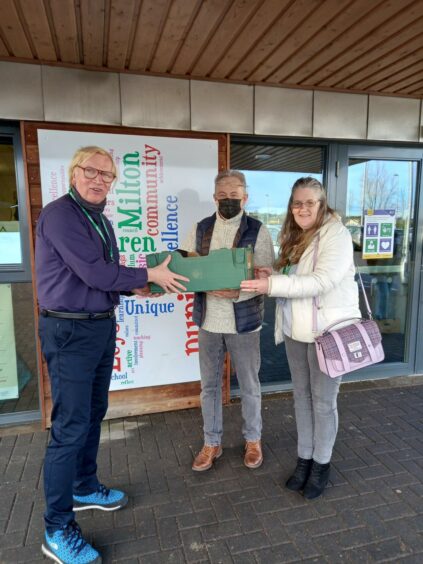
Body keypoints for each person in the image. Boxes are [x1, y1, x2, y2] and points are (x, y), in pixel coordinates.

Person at [35, 146, 189, 564]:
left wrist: (134, 286)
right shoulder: (61, 215)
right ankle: (56, 528)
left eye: (107, 174)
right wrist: (148, 274)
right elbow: (92, 272)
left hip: (99, 325)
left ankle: (84, 485)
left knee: (94, 411)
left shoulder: (99, 219)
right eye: (91, 171)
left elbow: (105, 273)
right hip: (69, 330)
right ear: (73, 173)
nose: (99, 179)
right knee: (69, 427)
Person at [241, 177, 360, 499]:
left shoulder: (336, 234)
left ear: (322, 205)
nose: (302, 208)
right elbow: (298, 280)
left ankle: (322, 464)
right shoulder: (297, 236)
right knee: (302, 400)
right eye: (297, 203)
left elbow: (321, 281)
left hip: (328, 334)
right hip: (297, 332)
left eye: (309, 202)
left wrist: (271, 286)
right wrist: (275, 276)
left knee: (323, 403)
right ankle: (304, 459)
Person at [182, 170, 274, 472]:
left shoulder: (258, 231)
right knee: (209, 387)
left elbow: (266, 276)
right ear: (214, 197)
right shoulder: (200, 228)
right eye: (222, 195)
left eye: (234, 196)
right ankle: (212, 442)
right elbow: (185, 265)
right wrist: (196, 280)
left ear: (245, 197)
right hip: (209, 322)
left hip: (244, 323)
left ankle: (253, 439)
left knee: (249, 385)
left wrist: (238, 292)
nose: (228, 200)